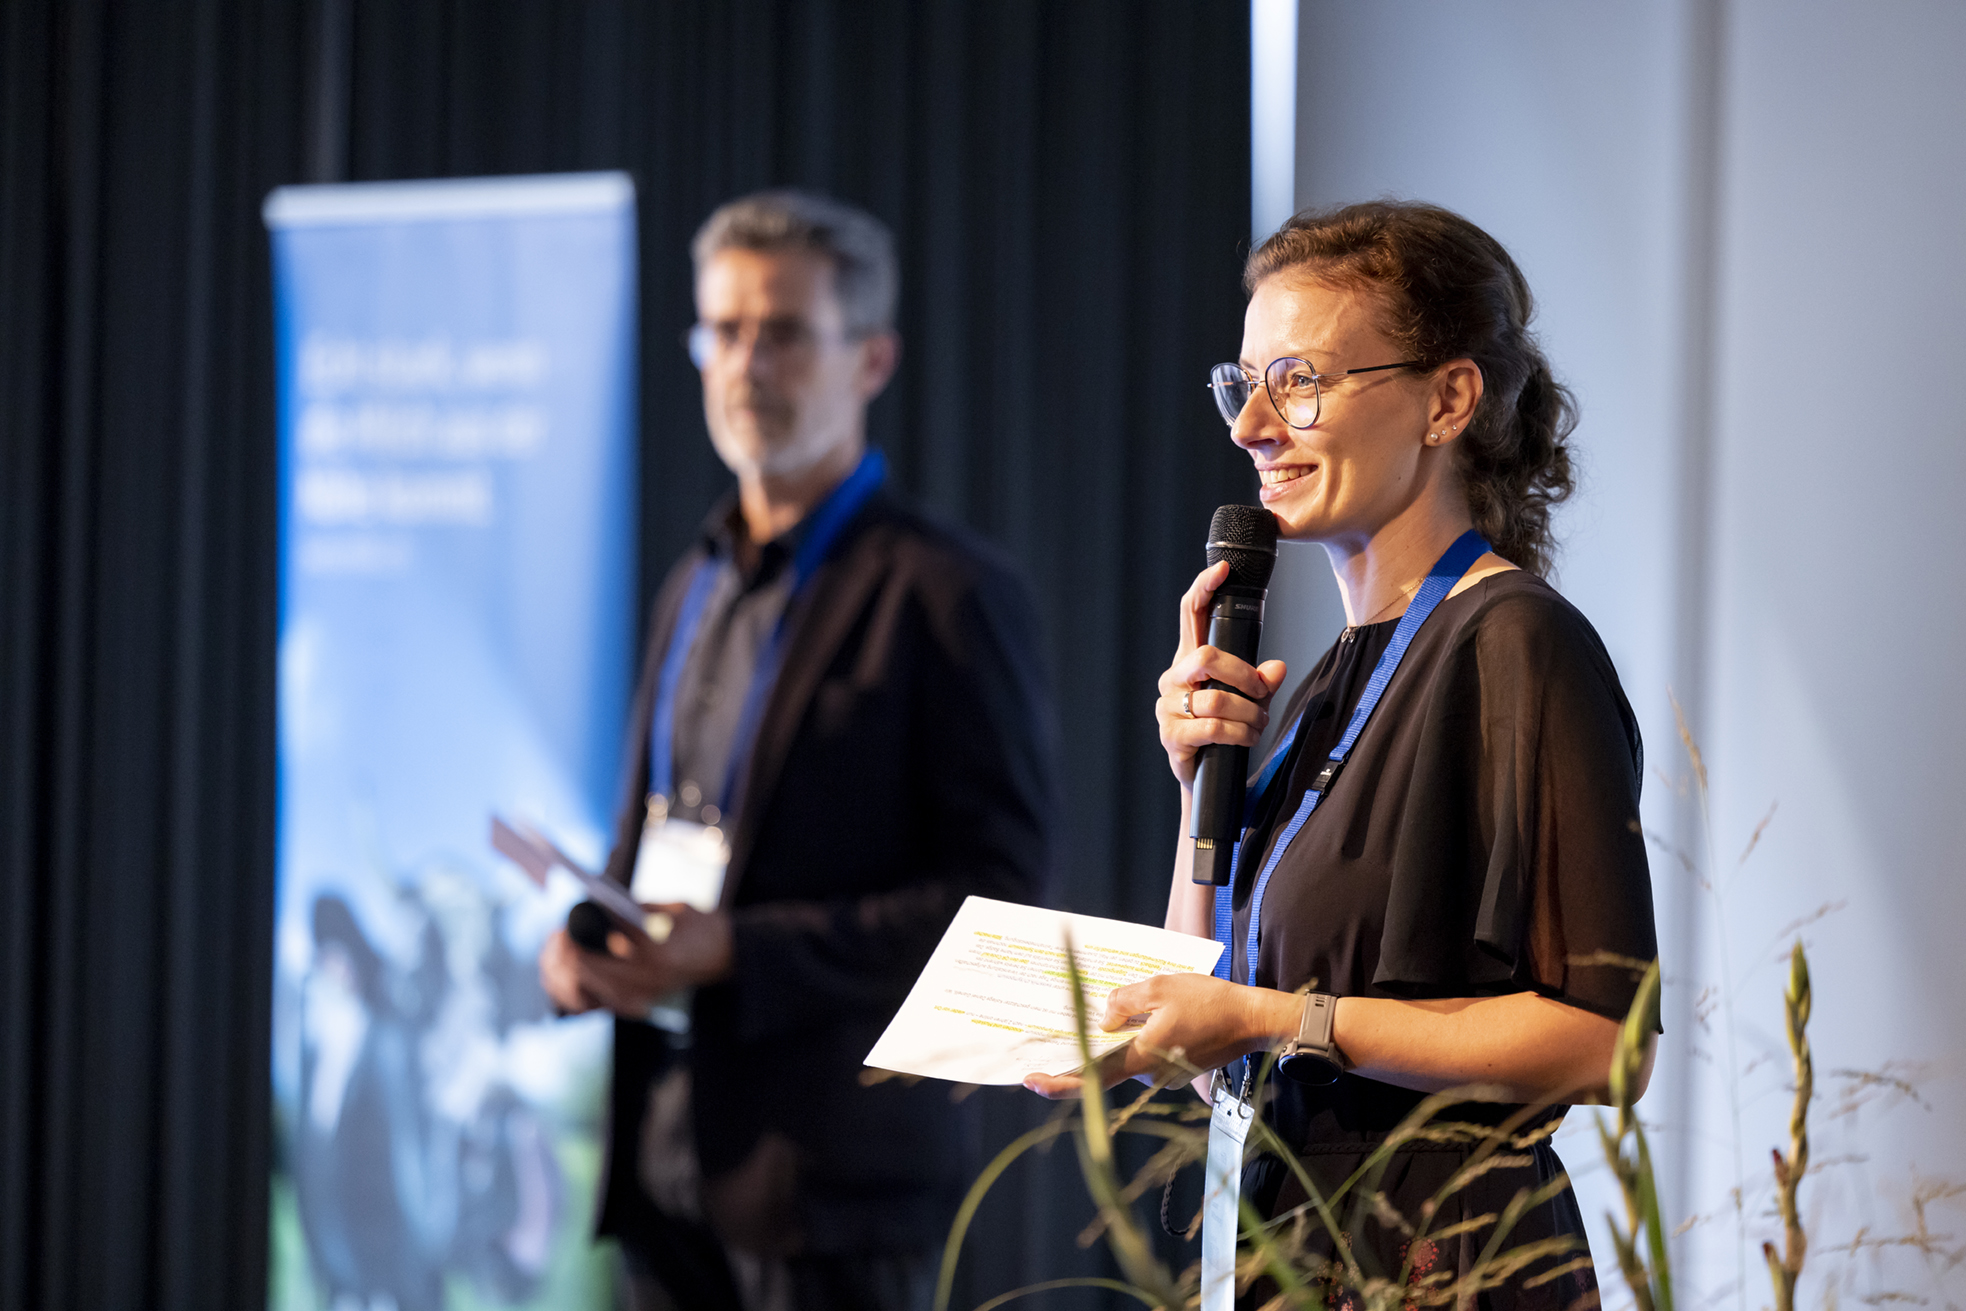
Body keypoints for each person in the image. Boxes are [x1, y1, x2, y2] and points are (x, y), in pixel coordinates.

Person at [1025, 201, 1659, 1309]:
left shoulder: (1515, 642)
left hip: (1442, 1256)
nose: (1250, 426)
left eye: (1299, 381)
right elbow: (1210, 1040)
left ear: (1447, 401)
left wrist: (1281, 1020)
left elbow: (1609, 1043)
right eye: (1243, 384)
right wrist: (1199, 787)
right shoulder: (1322, 684)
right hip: (1294, 1241)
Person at [539, 190, 1056, 1311]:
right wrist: (594, 944)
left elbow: (998, 902)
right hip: (665, 1165)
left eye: (781, 332)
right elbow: (653, 833)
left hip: (833, 1190)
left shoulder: (947, 593)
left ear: (872, 359)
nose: (745, 364)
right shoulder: (694, 581)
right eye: (722, 331)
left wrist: (739, 951)